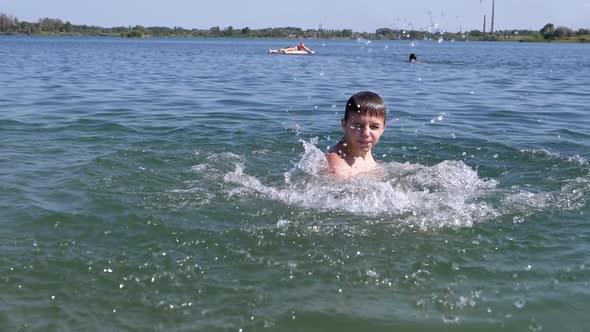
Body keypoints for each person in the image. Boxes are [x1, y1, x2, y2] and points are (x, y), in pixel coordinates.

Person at [326, 91, 387, 177]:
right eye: (358, 126)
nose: (366, 133)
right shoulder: (336, 164)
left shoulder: (364, 151)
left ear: (383, 128)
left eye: (374, 127)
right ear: (344, 124)